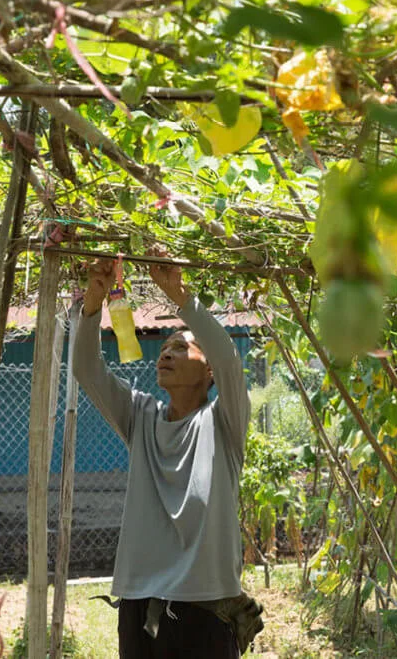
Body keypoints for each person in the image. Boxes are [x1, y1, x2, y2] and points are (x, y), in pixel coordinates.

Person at [74, 254, 259, 658]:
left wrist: (179, 295)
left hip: (205, 605)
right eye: (164, 348)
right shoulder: (141, 416)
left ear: (209, 372)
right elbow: (87, 370)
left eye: (181, 347)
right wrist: (93, 300)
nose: (166, 353)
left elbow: (229, 359)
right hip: (139, 601)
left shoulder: (224, 424)